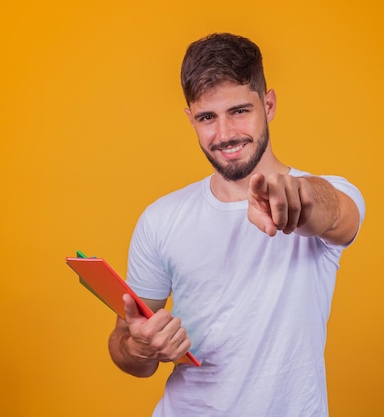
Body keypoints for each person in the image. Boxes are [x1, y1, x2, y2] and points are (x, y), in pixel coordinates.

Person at [108, 32, 365, 417]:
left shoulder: (327, 193)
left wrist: (294, 196)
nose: (225, 135)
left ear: (269, 104)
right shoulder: (160, 219)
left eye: (240, 111)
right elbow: (124, 347)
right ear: (190, 119)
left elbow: (334, 213)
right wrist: (141, 347)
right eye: (207, 117)